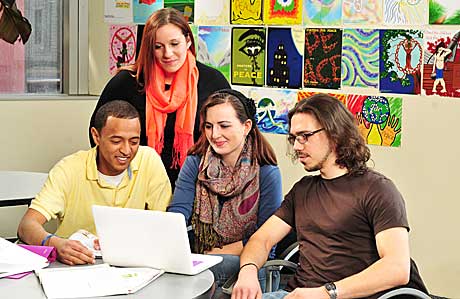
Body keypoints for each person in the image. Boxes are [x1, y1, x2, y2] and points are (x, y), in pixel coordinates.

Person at [231, 94, 428, 299]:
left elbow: (397, 268)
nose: (297, 146)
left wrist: (326, 293)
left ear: (335, 134)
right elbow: (262, 239)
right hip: (295, 294)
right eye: (294, 138)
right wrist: (248, 271)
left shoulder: (378, 190)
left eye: (305, 136)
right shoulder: (303, 190)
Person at [89, 8, 230, 189]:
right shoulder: (127, 82)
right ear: (149, 47)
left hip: (196, 188)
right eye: (158, 46)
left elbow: (233, 137)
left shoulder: (213, 81)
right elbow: (97, 133)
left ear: (187, 41)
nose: (167, 54)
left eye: (174, 44)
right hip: (135, 187)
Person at [18, 100, 172, 266]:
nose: (126, 150)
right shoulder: (68, 169)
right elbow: (27, 226)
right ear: (96, 136)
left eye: (134, 142)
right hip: (74, 268)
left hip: (133, 267)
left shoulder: (149, 160)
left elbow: (165, 226)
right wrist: (55, 244)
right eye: (116, 141)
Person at [168, 89, 283, 295]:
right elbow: (178, 212)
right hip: (203, 258)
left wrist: (219, 253)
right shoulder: (195, 162)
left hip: (253, 266)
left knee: (192, 276)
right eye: (209, 126)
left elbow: (269, 242)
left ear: (246, 126)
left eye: (224, 126)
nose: (215, 134)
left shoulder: (267, 172)